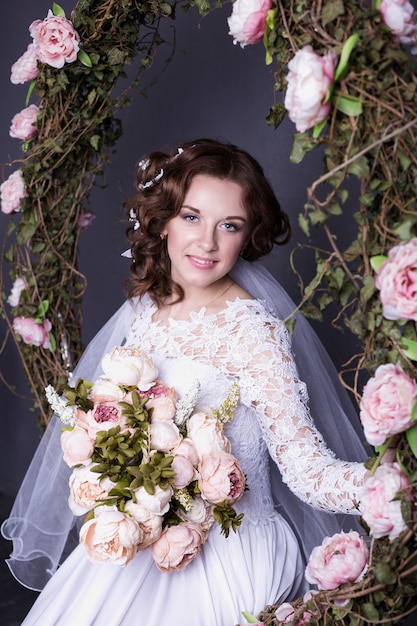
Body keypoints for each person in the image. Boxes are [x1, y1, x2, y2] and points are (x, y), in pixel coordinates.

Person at [2, 138, 369, 625]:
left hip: (230, 549)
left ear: (248, 235)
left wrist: (389, 484)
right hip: (147, 542)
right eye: (192, 217)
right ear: (163, 219)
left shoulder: (251, 331)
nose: (207, 242)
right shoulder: (146, 310)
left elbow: (305, 471)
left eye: (230, 225)